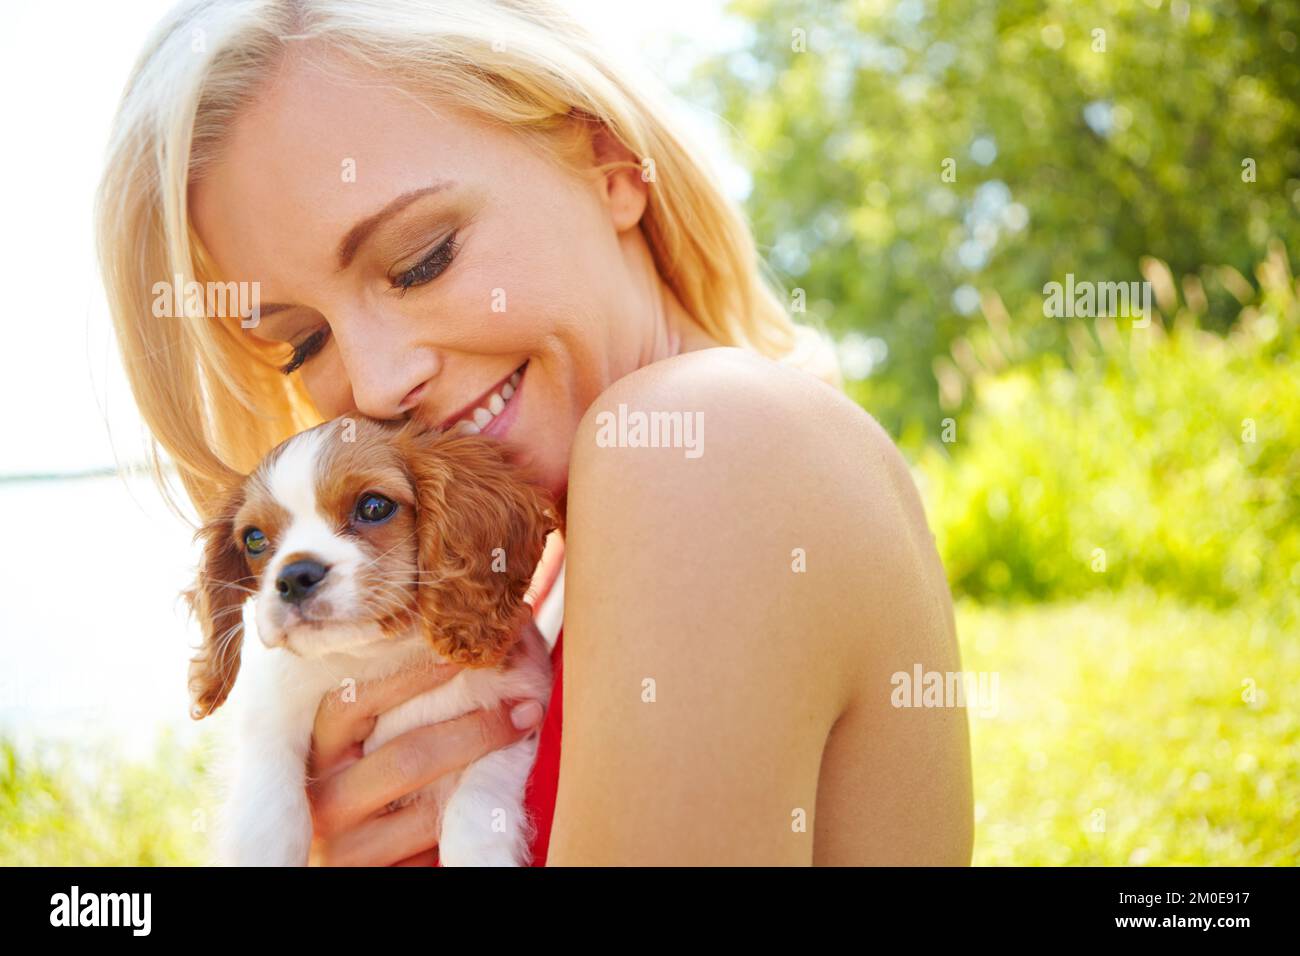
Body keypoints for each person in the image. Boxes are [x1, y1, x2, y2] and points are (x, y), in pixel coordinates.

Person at [96, 0, 973, 865]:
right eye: (304, 340)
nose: (374, 384)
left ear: (610, 159)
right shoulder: (545, 565)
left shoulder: (700, 438)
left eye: (420, 261)